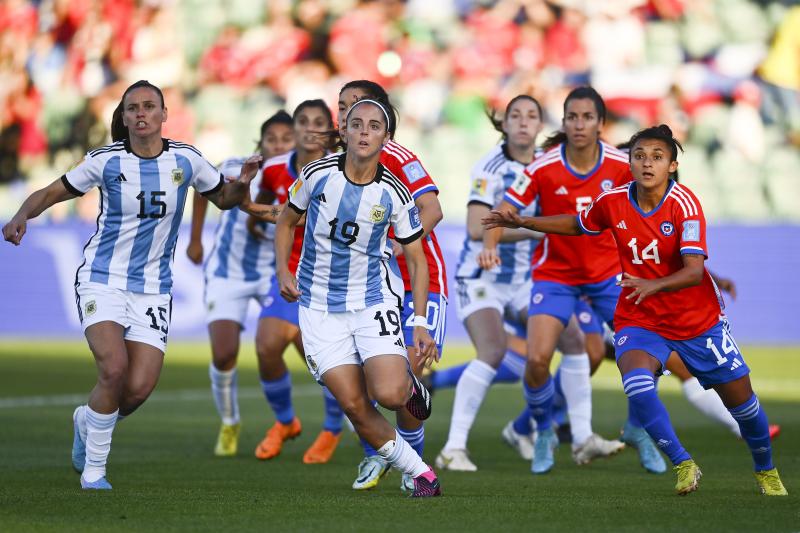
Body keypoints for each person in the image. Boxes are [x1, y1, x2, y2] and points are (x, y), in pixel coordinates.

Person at [483, 124, 788, 496]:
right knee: (638, 385)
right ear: (629, 162)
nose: (647, 164)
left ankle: (766, 470)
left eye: (657, 157)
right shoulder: (612, 200)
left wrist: (654, 284)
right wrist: (525, 220)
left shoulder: (685, 205)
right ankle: (683, 463)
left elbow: (693, 271)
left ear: (672, 166)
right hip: (640, 315)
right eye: (639, 156)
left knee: (744, 407)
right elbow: (578, 225)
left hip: (697, 321)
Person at [2, 80, 261, 489]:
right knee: (114, 369)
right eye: (133, 108)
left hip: (154, 288)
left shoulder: (187, 160)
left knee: (138, 388)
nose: (141, 113)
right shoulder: (105, 161)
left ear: (163, 114)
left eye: (149, 106)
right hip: (102, 278)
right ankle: (94, 470)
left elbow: (224, 199)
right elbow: (52, 191)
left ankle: (86, 419)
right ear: (123, 118)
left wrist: (243, 182)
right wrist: (21, 215)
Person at [274, 98, 441, 498]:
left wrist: (418, 322)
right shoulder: (316, 174)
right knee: (354, 404)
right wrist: (283, 269)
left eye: (374, 126)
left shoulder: (396, 193)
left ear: (386, 137)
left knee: (389, 394)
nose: (364, 132)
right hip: (317, 307)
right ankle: (423, 476)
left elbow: (416, 261)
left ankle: (410, 388)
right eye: (357, 124)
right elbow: (286, 220)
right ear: (344, 131)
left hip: (372, 300)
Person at [480, 86, 637, 475]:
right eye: (572, 117)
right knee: (536, 360)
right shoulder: (542, 167)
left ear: (601, 124)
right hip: (556, 276)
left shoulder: (621, 165)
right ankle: (542, 428)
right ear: (563, 122)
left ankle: (640, 428)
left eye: (587, 117)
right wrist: (490, 243)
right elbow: (503, 210)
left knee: (645, 352)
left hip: (606, 276)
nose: (579, 124)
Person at [336, 80, 448, 492]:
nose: (346, 113)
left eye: (355, 105)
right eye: (343, 107)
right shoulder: (338, 163)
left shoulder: (398, 155)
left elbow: (431, 208)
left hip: (422, 279)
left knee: (403, 380)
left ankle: (408, 461)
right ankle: (381, 454)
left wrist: (391, 247)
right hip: (367, 288)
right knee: (367, 381)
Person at [185, 110, 295, 457]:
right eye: (272, 139)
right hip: (226, 273)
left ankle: (338, 420)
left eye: (286, 139)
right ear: (260, 142)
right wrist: (196, 238)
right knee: (224, 353)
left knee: (309, 347)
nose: (278, 145)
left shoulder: (300, 177)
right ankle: (230, 421)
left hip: (270, 273)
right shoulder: (236, 165)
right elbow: (202, 191)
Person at [237, 100, 340, 463]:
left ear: (330, 130)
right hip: (292, 269)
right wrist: (252, 213)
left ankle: (332, 429)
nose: (310, 129)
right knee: (266, 345)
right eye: (302, 122)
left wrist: (255, 211)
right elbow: (264, 201)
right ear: (293, 129)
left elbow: (289, 214)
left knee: (326, 362)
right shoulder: (276, 168)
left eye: (318, 122)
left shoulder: (342, 169)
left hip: (334, 277)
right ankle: (285, 421)